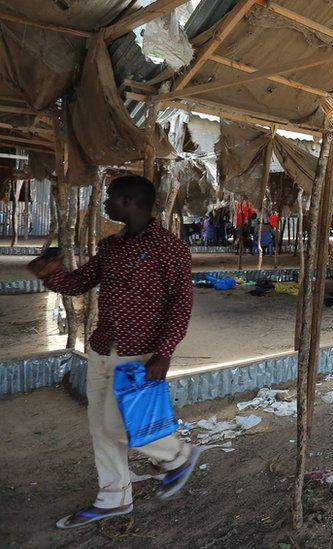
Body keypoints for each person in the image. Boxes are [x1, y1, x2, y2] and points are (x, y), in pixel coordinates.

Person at [27, 176, 199, 529]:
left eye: (109, 199)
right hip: (102, 349)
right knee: (99, 428)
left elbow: (181, 303)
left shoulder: (169, 247)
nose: (104, 204)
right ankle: (114, 495)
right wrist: (51, 276)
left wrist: (164, 352)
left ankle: (178, 456)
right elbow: (80, 283)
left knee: (119, 426)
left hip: (140, 354)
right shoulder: (111, 247)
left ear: (129, 201)